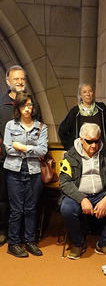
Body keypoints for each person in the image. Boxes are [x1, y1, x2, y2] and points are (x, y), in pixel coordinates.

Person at [60, 123, 106, 260]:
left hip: (101, 195)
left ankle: (103, 243)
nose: (94, 145)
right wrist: (82, 199)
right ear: (81, 140)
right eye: (89, 141)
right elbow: (64, 182)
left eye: (97, 141)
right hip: (78, 195)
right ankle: (78, 243)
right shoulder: (70, 155)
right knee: (66, 209)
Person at [4, 92, 48, 258]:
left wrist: (22, 147)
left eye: (29, 105)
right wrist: (32, 149)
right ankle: (13, 243)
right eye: (24, 105)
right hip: (14, 170)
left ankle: (30, 241)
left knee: (31, 208)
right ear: (18, 107)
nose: (27, 109)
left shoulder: (41, 127)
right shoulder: (10, 125)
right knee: (16, 209)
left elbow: (42, 151)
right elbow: (8, 148)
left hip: (34, 171)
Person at [0, 65, 27, 247]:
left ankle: (21, 233)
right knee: (3, 198)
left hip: (26, 159)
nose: (19, 82)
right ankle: (3, 231)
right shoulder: (1, 103)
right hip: (5, 159)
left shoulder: (30, 102)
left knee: (24, 199)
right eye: (16, 79)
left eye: (22, 79)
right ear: (8, 81)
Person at [58, 83, 106, 151]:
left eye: (90, 91)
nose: (88, 94)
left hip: (100, 150)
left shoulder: (102, 109)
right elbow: (62, 131)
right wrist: (71, 147)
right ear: (80, 95)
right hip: (82, 151)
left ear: (93, 93)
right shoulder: (75, 112)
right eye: (84, 92)